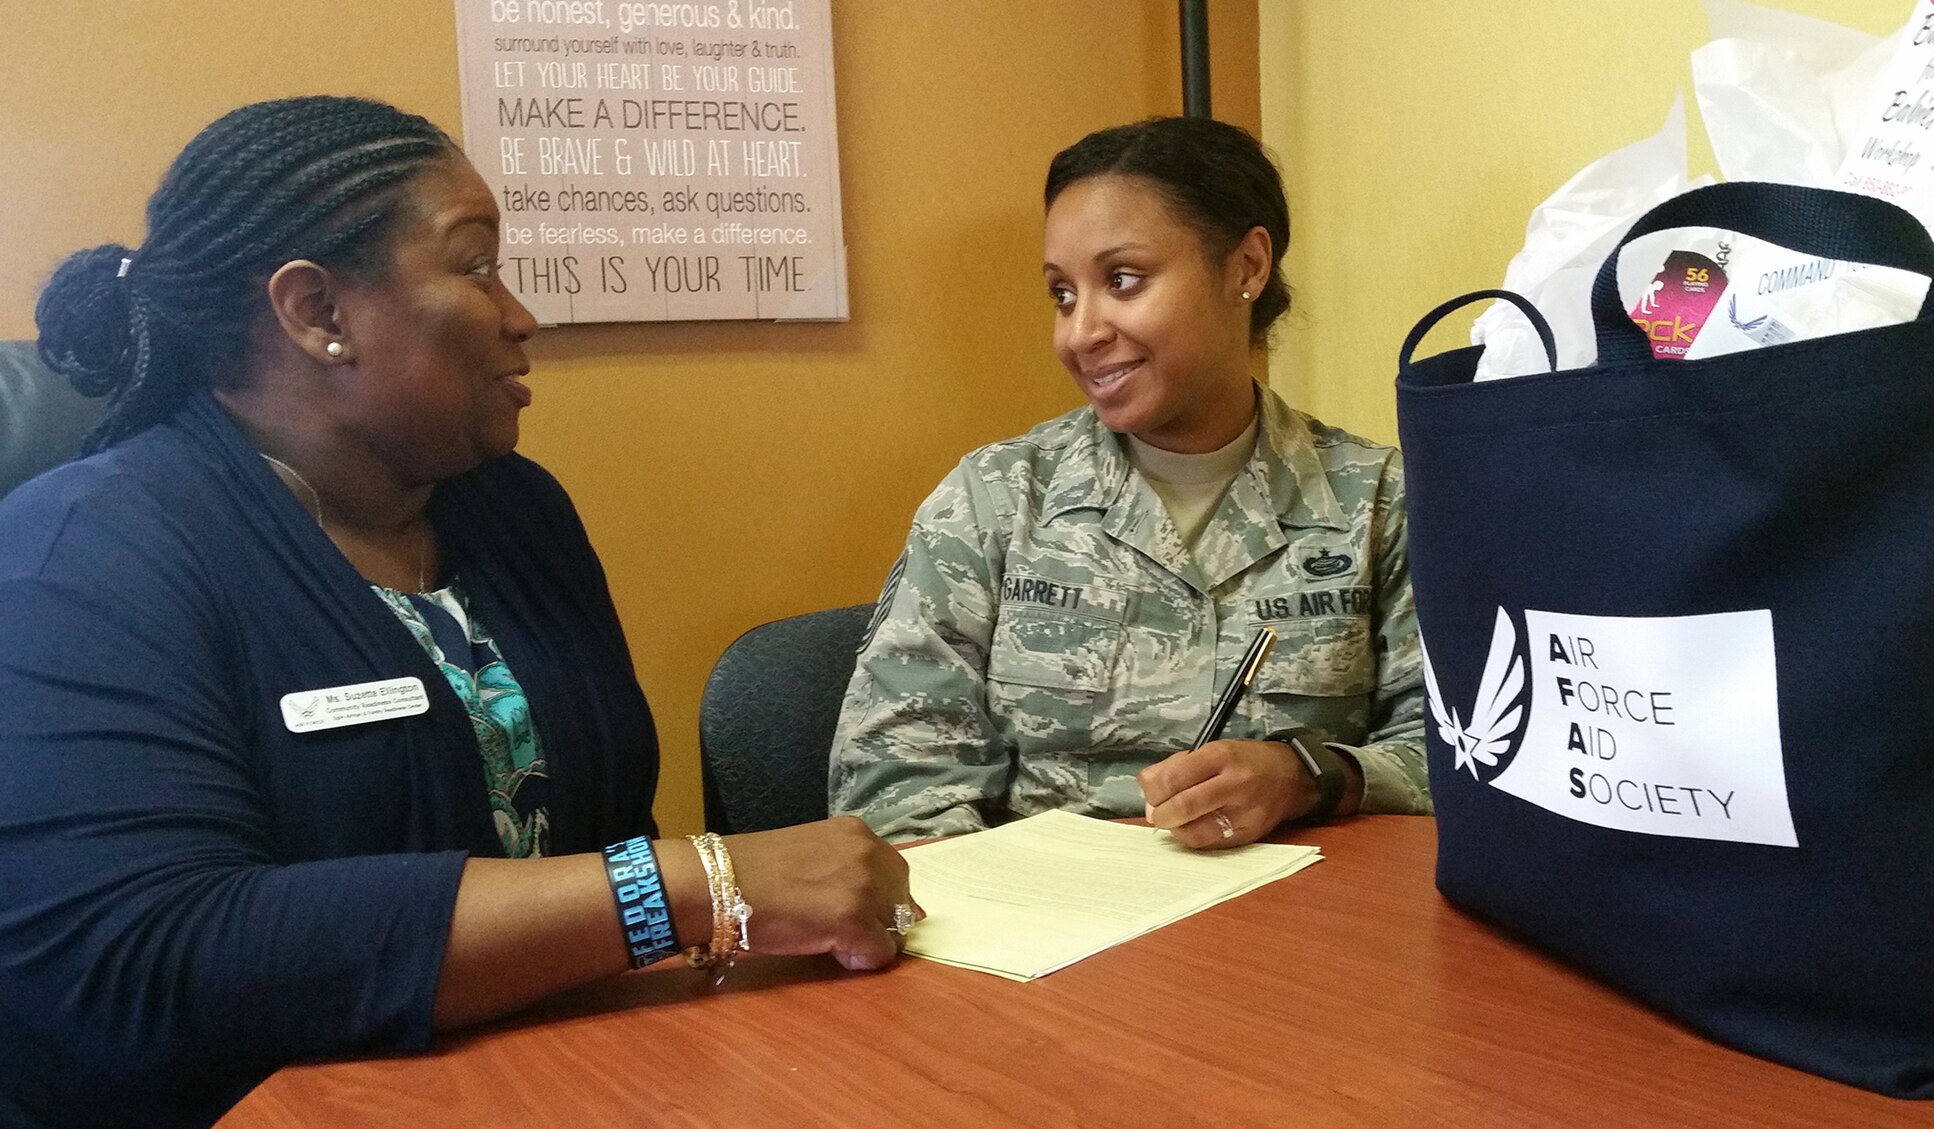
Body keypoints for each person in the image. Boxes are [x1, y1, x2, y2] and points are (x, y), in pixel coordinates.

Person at [0, 96, 915, 1129]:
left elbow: (598, 829)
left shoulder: (513, 509)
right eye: (474, 265)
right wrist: (690, 884)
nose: (518, 314)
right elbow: (149, 955)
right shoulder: (82, 557)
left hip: (557, 1077)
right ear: (316, 313)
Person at [830, 116, 1430, 847]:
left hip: (1302, 930)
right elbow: (894, 791)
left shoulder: (1379, 501)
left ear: (1246, 266)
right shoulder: (996, 500)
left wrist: (1309, 775)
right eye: (1062, 294)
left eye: (1122, 280)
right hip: (1052, 931)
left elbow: (1463, 754)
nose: (1080, 332)